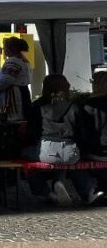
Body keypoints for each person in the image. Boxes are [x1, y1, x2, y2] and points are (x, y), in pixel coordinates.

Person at [23, 74, 101, 205]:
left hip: (45, 151)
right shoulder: (74, 107)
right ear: (65, 87)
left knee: (25, 159)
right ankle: (86, 192)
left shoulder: (38, 107)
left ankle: (46, 192)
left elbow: (32, 133)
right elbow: (81, 133)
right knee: (71, 163)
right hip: (70, 151)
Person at [0, 37, 33, 116]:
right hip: (23, 91)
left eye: (5, 47)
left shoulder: (13, 61)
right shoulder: (23, 60)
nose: (4, 49)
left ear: (11, 49)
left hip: (14, 95)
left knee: (15, 118)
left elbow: (6, 80)